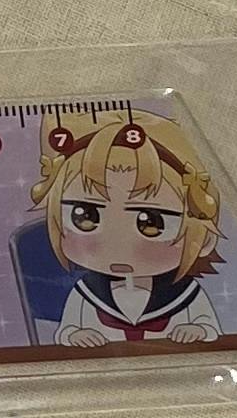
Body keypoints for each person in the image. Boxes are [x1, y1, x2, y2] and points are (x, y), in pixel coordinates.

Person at [33, 110, 226, 345]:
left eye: (151, 223)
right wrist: (74, 335)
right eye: (86, 216)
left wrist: (199, 330)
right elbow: (66, 331)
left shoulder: (186, 294)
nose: (115, 243)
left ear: (205, 240)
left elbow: (210, 329)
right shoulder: (86, 292)